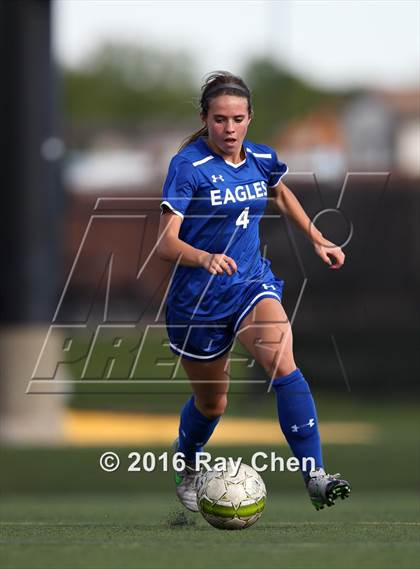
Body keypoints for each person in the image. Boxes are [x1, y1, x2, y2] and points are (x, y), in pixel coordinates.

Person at [157, 71, 351, 512]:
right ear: (205, 118)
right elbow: (165, 243)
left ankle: (316, 476)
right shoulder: (188, 166)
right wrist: (203, 257)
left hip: (249, 283)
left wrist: (316, 236)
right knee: (212, 404)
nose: (229, 129)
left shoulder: (261, 157)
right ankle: (187, 461)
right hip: (197, 303)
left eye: (238, 119)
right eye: (220, 119)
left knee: (283, 362)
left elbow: (280, 194)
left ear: (250, 118)